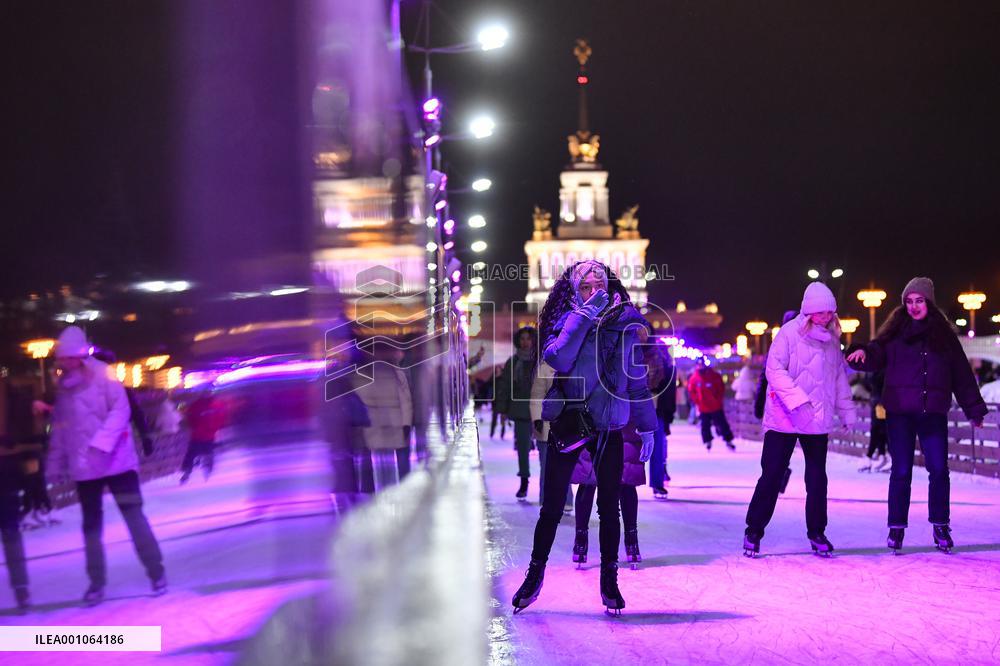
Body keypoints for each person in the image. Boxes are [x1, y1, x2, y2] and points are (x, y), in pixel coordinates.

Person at [511, 260, 656, 615]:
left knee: (610, 508)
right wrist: (584, 317)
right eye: (586, 287)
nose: (594, 292)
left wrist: (648, 425)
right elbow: (558, 359)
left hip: (608, 425)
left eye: (599, 286)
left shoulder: (625, 326)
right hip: (571, 422)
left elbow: (635, 381)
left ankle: (609, 579)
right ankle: (535, 574)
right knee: (551, 507)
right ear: (575, 290)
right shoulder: (564, 322)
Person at [847, 277, 987, 553]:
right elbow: (876, 352)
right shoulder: (895, 334)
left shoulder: (945, 338)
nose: (913, 307)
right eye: (909, 302)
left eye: (919, 301)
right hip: (900, 413)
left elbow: (961, 375)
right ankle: (896, 528)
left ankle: (940, 525)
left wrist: (974, 409)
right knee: (900, 470)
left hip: (932, 413)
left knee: (938, 470)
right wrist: (860, 351)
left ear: (929, 303)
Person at [46, 326, 166, 605]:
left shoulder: (105, 376)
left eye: (65, 358)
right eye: (59, 359)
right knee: (91, 526)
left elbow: (122, 410)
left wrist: (102, 443)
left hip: (117, 462)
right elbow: (63, 428)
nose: (61, 364)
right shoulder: (64, 387)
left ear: (77, 356)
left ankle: (156, 572)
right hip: (85, 468)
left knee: (134, 517)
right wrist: (55, 461)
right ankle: (96, 583)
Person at [744, 283, 857, 558]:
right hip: (784, 416)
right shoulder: (788, 334)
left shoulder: (832, 341)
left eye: (830, 312)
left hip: (816, 419)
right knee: (772, 474)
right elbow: (774, 370)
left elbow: (838, 378)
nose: (826, 317)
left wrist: (847, 411)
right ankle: (754, 530)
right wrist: (797, 400)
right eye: (821, 313)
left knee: (817, 478)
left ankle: (817, 532)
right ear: (808, 312)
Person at [572, 422, 647, 569]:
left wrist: (648, 425)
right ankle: (581, 536)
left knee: (626, 481)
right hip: (591, 424)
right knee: (588, 480)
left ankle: (631, 539)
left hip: (624, 427)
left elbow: (641, 399)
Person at [355, 341, 413, 490]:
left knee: (376, 463)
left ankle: (375, 491)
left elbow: (362, 397)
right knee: (391, 464)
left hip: (375, 426)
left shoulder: (364, 373)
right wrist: (406, 424)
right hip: (393, 425)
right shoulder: (395, 371)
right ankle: (396, 489)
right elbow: (405, 400)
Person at [496, 327, 539, 500]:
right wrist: (503, 410)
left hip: (540, 413)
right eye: (522, 339)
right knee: (522, 450)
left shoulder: (540, 361)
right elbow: (505, 387)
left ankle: (547, 486)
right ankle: (524, 481)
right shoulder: (512, 363)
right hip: (521, 412)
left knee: (545, 452)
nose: (525, 342)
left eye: (528, 338)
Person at [0, 377, 32, 612]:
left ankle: (22, 590)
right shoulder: (13, 395)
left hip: (6, 472)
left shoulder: (13, 397)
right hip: (8, 470)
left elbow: (26, 436)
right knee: (11, 532)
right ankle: (22, 591)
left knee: (11, 532)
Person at [529, 360, 573, 511]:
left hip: (569, 425)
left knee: (566, 465)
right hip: (546, 425)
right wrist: (537, 419)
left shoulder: (574, 363)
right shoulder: (544, 368)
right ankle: (545, 499)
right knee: (546, 466)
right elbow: (536, 397)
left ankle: (567, 500)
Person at [688, 357, 736, 451]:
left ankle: (728, 440)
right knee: (705, 425)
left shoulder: (714, 376)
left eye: (702, 365)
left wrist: (717, 400)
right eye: (698, 365)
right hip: (703, 407)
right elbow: (692, 391)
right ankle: (707, 440)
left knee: (722, 424)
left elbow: (720, 389)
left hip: (715, 406)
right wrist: (698, 401)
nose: (700, 367)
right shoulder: (694, 378)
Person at [180, 389, 227, 483]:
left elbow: (190, 419)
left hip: (200, 435)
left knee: (193, 454)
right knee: (207, 452)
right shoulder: (216, 404)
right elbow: (222, 418)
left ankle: (189, 471)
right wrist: (215, 427)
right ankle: (206, 469)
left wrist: (195, 427)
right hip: (207, 435)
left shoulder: (196, 405)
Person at [648, 343, 676, 498]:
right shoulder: (639, 358)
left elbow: (670, 393)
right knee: (657, 447)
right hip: (642, 408)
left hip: (657, 410)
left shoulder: (669, 367)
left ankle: (658, 482)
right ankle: (623, 484)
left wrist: (668, 415)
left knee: (658, 447)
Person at [858, 371, 890, 473]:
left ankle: (872, 456)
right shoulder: (873, 367)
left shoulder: (881, 367)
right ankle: (881, 456)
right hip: (876, 401)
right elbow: (867, 384)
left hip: (882, 403)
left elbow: (878, 381)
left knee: (879, 429)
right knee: (879, 429)